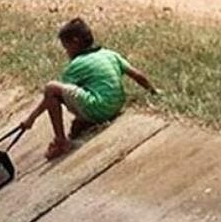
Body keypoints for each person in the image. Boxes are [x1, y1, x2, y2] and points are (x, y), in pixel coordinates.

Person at [21, 17, 158, 159]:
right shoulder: (109, 54)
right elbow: (137, 75)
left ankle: (61, 141)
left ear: (75, 42)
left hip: (99, 108)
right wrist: (153, 91)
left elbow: (51, 97)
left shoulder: (77, 64)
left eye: (66, 48)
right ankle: (82, 124)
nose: (66, 53)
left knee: (51, 88)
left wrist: (31, 119)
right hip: (117, 105)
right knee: (68, 102)